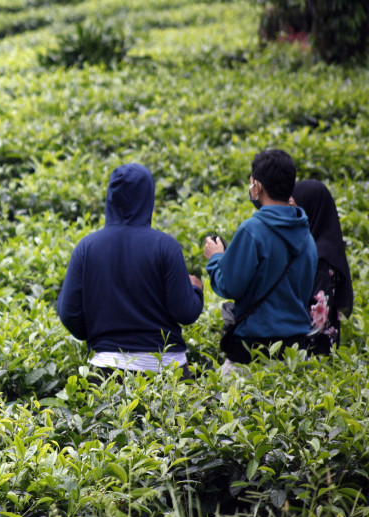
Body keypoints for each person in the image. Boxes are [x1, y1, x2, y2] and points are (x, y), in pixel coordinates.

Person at [56, 164, 204, 376]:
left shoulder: (86, 248)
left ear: (110, 197)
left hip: (107, 370)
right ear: (147, 197)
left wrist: (98, 336)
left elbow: (68, 312)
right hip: (168, 372)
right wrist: (196, 290)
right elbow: (185, 312)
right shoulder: (166, 246)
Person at [204, 149, 317, 369]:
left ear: (257, 186)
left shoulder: (252, 231)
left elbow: (229, 286)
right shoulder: (306, 234)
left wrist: (216, 258)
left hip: (251, 348)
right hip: (295, 349)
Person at [291, 180, 352, 351]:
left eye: (294, 207)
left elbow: (316, 320)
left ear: (310, 209)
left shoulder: (322, 258)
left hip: (312, 356)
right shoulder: (311, 247)